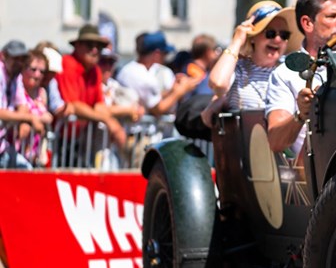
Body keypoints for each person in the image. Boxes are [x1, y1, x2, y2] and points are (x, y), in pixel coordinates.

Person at [265, 0, 336, 153]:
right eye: (332, 16)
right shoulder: (285, 74)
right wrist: (301, 114)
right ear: (308, 23)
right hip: (310, 165)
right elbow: (275, 141)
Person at [202, 0, 301, 127]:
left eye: (284, 35)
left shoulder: (291, 71)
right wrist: (237, 41)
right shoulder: (238, 69)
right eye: (270, 33)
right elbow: (218, 83)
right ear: (253, 37)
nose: (277, 39)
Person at [57, 24, 128, 159]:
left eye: (99, 47)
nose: (95, 50)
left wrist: (115, 125)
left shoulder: (95, 71)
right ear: (77, 46)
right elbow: (74, 104)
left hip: (79, 139)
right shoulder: (68, 63)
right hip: (61, 139)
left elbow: (98, 104)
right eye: (90, 45)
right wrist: (108, 120)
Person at [117, 31, 198, 118]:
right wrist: (181, 90)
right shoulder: (143, 77)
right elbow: (158, 109)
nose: (165, 57)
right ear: (157, 54)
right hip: (134, 125)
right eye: (164, 53)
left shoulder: (128, 69)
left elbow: (151, 98)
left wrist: (172, 90)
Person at [1, 40, 45, 168]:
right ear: (3, 56)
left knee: (25, 169)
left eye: (22, 59)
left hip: (3, 148)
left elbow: (22, 105)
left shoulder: (16, 76)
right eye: (15, 58)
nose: (19, 63)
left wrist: (24, 121)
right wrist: (29, 118)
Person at [15, 50, 55, 165]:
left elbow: (47, 118)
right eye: (33, 69)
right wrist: (36, 119)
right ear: (23, 69)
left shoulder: (41, 93)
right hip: (17, 151)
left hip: (35, 155)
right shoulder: (17, 89)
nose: (37, 75)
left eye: (41, 71)